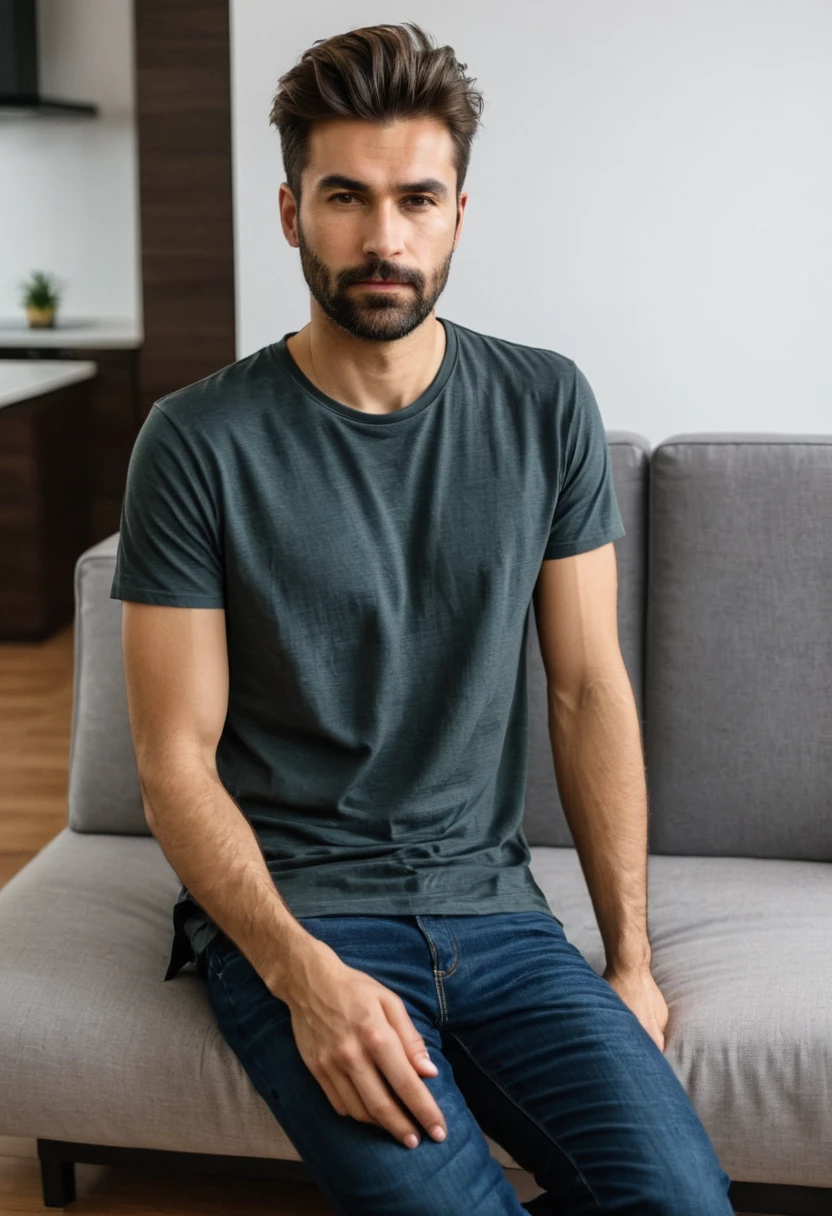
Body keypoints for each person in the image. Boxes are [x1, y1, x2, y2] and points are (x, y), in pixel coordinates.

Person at [111, 20, 733, 1215]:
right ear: (291, 211)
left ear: (459, 212)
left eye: (416, 198)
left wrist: (632, 964)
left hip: (495, 910)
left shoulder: (545, 403)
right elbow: (172, 760)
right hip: (298, 912)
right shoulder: (194, 441)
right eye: (345, 196)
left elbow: (587, 687)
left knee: (681, 1203)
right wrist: (301, 975)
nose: (383, 237)